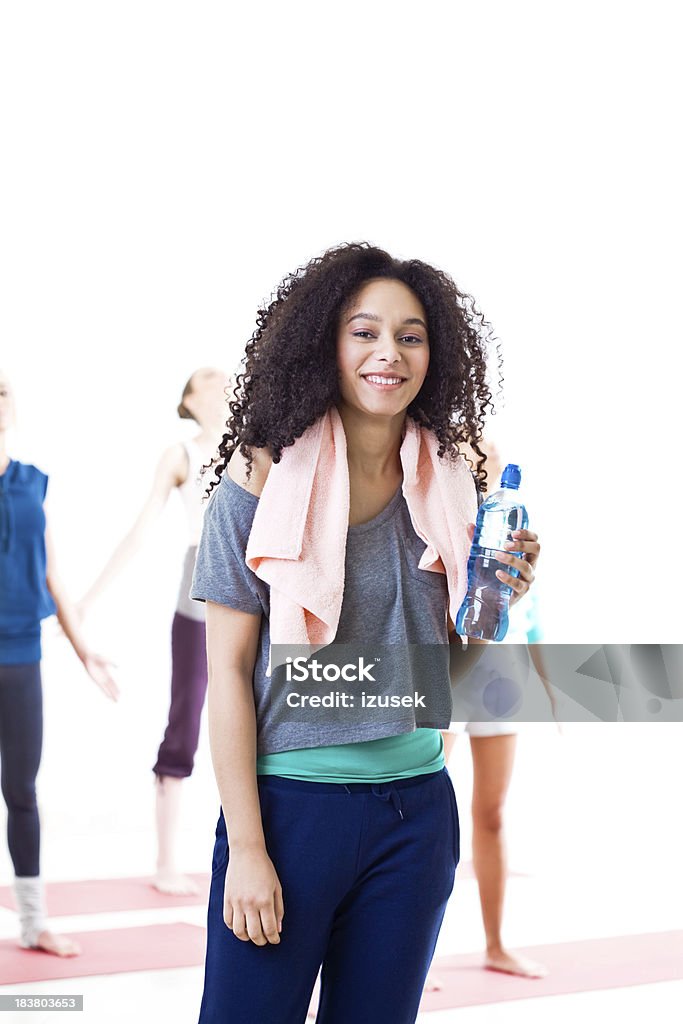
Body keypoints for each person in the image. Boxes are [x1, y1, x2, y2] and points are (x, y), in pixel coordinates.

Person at [190, 242, 540, 1023]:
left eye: (411, 336)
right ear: (326, 342)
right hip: (292, 811)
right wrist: (247, 847)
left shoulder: (453, 482)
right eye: (364, 332)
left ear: (433, 354)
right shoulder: (260, 478)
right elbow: (228, 678)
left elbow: (446, 673)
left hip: (414, 813)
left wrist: (495, 598)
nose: (389, 353)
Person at [79, 367, 231, 894]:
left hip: (254, 592)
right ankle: (165, 862)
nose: (222, 379)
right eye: (207, 377)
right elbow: (140, 530)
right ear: (188, 398)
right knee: (186, 718)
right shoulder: (181, 455)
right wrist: (83, 605)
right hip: (199, 590)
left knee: (263, 723)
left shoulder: (260, 444)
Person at [0, 371, 119, 957]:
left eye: (1, 394)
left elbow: (50, 571)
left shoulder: (31, 483)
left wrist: (84, 648)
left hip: (21, 653)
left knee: (21, 791)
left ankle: (32, 922)